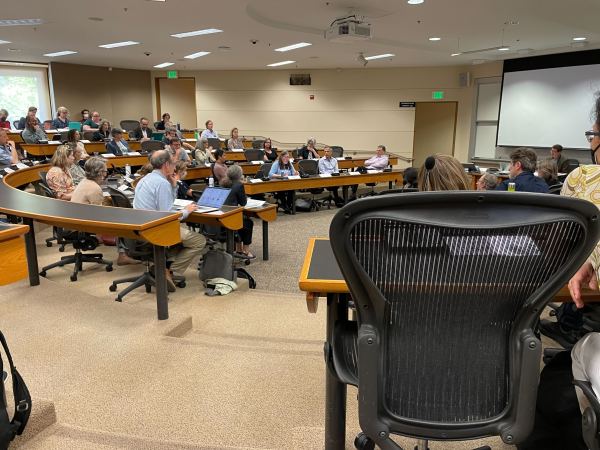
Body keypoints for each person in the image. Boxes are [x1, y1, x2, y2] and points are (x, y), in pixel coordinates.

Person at [133, 149, 204, 286]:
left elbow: (166, 206)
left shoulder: (144, 179)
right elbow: (169, 217)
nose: (174, 166)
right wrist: (186, 211)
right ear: (166, 165)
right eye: (173, 163)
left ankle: (162, 266)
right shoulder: (161, 183)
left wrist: (173, 186)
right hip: (156, 228)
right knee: (198, 241)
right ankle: (170, 271)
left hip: (141, 226)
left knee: (181, 240)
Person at [222, 165, 255, 259]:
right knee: (248, 223)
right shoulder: (239, 185)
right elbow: (243, 203)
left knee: (241, 219)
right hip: (231, 217)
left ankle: (238, 248)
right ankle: (246, 251)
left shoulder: (223, 183)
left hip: (222, 216)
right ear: (239, 175)